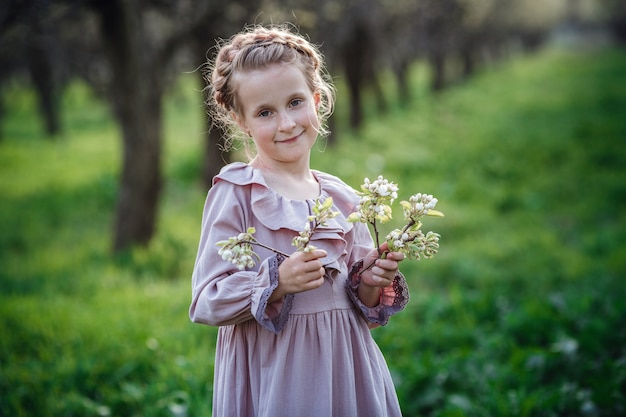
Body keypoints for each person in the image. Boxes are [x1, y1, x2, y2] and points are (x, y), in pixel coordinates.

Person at [190, 24, 409, 417]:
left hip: (345, 369)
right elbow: (206, 302)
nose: (287, 123)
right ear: (242, 122)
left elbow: (364, 311)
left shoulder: (341, 197)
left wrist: (373, 280)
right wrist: (275, 283)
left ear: (317, 99)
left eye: (295, 102)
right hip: (275, 375)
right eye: (265, 112)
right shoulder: (237, 192)